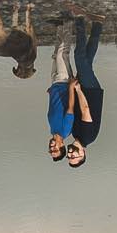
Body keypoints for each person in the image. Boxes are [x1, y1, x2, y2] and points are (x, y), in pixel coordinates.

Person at [46, 18, 92, 160]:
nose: (51, 147)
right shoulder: (66, 130)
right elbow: (70, 107)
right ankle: (67, 24)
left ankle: (60, 26)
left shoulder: (53, 130)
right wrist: (71, 87)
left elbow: (54, 107)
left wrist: (50, 93)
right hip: (65, 83)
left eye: (50, 150)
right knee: (62, 53)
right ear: (62, 146)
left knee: (56, 55)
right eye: (55, 149)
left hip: (55, 85)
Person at [64, 11, 105, 167]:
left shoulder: (75, 134)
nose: (70, 154)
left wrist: (72, 90)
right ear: (83, 154)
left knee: (87, 58)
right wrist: (79, 90)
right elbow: (86, 110)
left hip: (87, 91)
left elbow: (75, 109)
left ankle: (98, 22)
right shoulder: (87, 137)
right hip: (90, 92)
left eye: (69, 157)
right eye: (74, 157)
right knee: (80, 58)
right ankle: (79, 19)